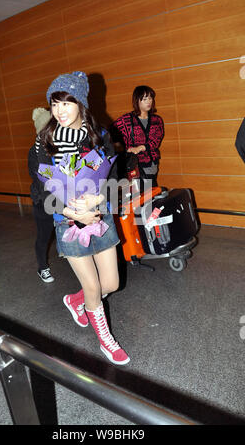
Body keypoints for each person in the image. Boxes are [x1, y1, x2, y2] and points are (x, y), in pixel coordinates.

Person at [40, 70, 130, 365]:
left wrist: (98, 199)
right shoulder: (45, 141)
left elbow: (114, 175)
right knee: (93, 287)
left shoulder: (99, 135)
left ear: (80, 102)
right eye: (54, 104)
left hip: (99, 214)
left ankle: (75, 300)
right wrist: (67, 210)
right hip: (66, 220)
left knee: (111, 284)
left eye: (65, 103)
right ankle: (106, 339)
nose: (59, 111)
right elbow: (39, 187)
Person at [111, 85, 164, 187]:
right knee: (136, 194)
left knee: (150, 192)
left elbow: (156, 140)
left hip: (151, 164)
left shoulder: (157, 120)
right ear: (137, 101)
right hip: (133, 164)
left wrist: (140, 147)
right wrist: (125, 149)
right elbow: (111, 133)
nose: (149, 101)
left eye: (150, 98)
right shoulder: (126, 120)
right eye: (144, 99)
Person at [28, 107, 55, 283]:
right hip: (43, 200)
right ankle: (42, 267)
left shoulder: (58, 146)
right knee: (44, 236)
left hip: (61, 198)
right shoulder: (34, 152)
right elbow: (40, 179)